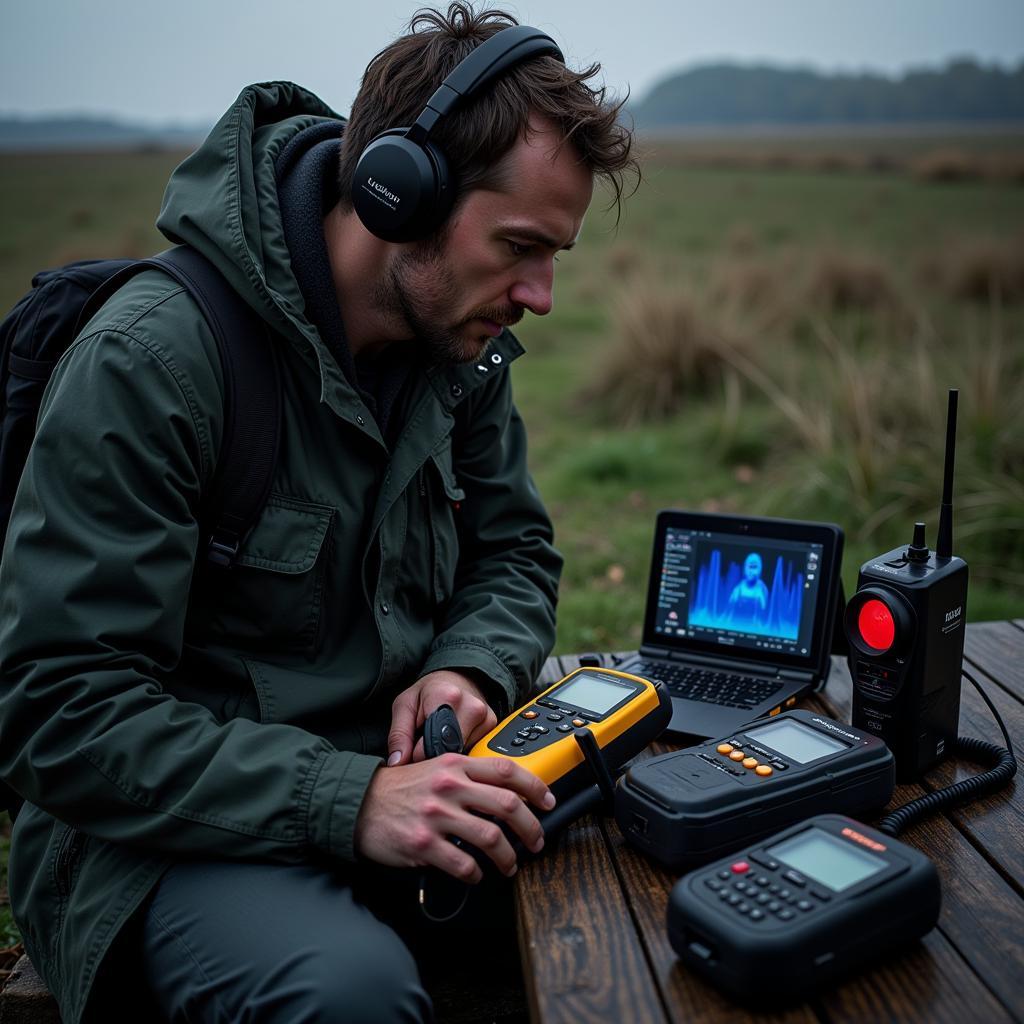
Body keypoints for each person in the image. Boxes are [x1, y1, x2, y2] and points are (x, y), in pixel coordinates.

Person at [0, 4, 637, 1023]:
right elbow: (60, 712)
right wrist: (346, 804)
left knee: (646, 869)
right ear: (399, 196)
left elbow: (515, 553)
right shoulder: (155, 363)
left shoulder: (457, 358)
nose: (541, 294)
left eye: (554, 254)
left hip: (401, 792)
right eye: (520, 245)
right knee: (347, 995)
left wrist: (465, 666)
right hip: (159, 839)